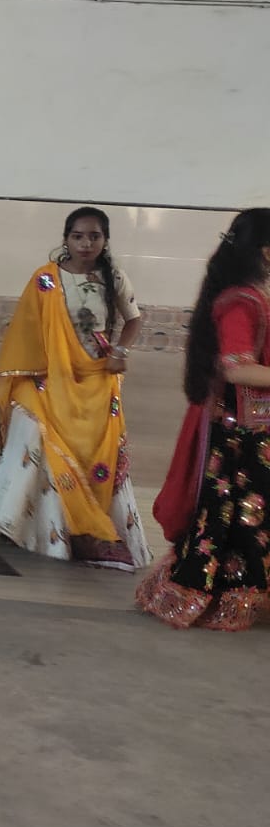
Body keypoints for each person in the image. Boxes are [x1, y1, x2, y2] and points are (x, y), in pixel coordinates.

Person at [0, 208, 151, 570]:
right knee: (35, 439)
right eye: (78, 236)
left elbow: (134, 319)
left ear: (105, 240)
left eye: (94, 236)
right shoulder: (45, 280)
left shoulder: (113, 277)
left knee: (97, 453)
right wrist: (40, 371)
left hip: (98, 379)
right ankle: (25, 526)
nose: (86, 243)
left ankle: (89, 530)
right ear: (66, 239)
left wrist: (121, 351)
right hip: (49, 379)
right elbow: (27, 331)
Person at [137, 209, 270, 630]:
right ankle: (218, 594)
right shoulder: (241, 301)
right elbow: (236, 367)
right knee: (234, 517)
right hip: (239, 436)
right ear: (266, 251)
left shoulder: (252, 295)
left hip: (251, 430)